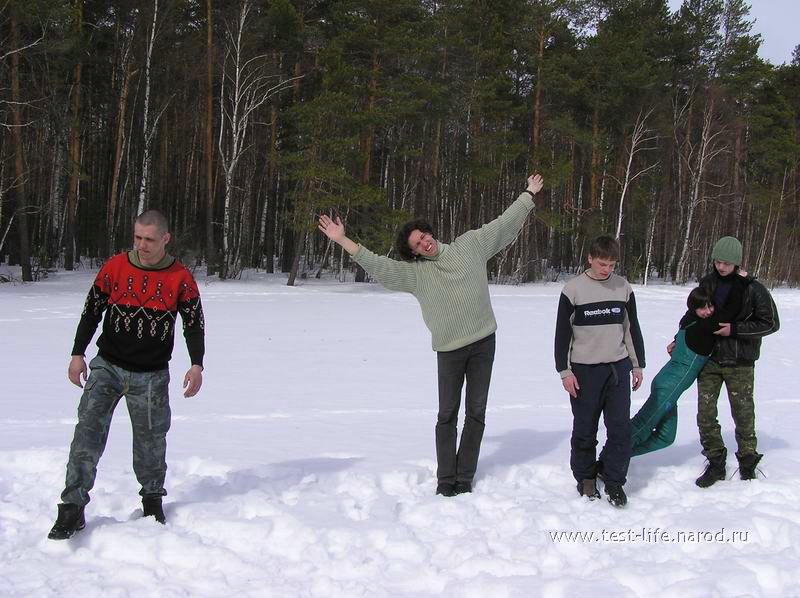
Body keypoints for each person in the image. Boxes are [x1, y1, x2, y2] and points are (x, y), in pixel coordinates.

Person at [318, 174, 544, 497]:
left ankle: (464, 478)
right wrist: (343, 240)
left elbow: (503, 226)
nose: (424, 242)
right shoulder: (415, 275)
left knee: (476, 413)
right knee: (447, 415)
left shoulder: (470, 245)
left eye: (423, 235)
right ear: (414, 254)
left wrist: (527, 195)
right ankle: (445, 480)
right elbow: (379, 266)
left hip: (483, 343)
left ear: (430, 233)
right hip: (449, 351)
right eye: (417, 245)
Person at [48, 210, 205, 540]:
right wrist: (78, 353)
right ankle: (72, 507)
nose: (142, 245)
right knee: (87, 435)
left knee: (150, 442)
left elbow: (194, 323)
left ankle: (151, 500)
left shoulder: (181, 277)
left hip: (151, 375)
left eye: (149, 239)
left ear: (165, 238)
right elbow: (92, 310)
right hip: (107, 365)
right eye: (137, 238)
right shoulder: (116, 267)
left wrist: (196, 363)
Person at [554, 235, 645, 507]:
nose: (607, 269)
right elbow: (562, 336)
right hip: (584, 371)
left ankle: (615, 480)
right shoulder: (573, 290)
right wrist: (565, 371)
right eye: (602, 263)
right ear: (590, 259)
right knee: (585, 428)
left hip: (617, 368)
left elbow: (631, 328)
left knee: (620, 429)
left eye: (611, 264)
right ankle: (586, 478)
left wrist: (637, 364)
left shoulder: (623, 288)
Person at [694, 236, 779, 488]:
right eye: (718, 262)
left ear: (737, 263)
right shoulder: (707, 283)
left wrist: (735, 329)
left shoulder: (754, 289)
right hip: (709, 359)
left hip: (740, 361)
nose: (721, 267)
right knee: (705, 415)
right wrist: (681, 338)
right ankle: (715, 462)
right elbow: (694, 313)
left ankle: (748, 462)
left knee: (743, 414)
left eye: (727, 263)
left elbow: (770, 323)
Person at [630, 287, 721, 456]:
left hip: (667, 383)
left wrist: (675, 340)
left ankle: (616, 459)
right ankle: (608, 461)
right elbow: (727, 313)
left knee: (666, 437)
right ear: (694, 308)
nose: (708, 311)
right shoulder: (703, 327)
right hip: (668, 387)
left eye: (710, 306)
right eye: (703, 308)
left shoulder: (689, 320)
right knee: (641, 427)